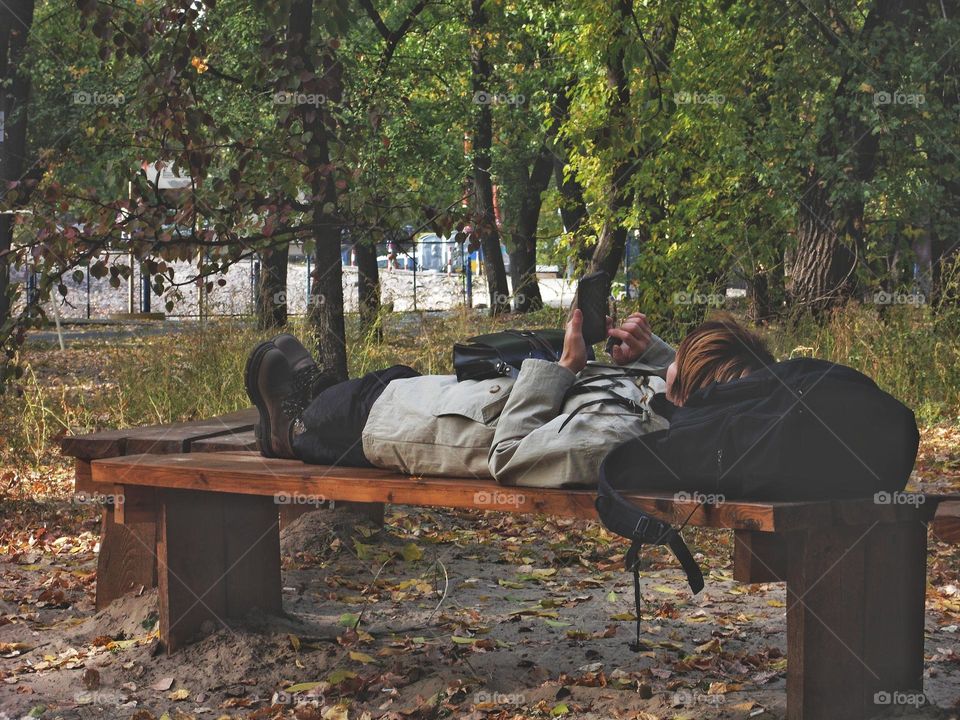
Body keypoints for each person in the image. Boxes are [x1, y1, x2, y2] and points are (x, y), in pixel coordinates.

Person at [245, 311, 774, 488]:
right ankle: (314, 390)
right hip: (446, 393)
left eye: (682, 358)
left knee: (333, 410)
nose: (674, 353)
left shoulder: (613, 440)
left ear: (690, 390)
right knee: (382, 378)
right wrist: (653, 353)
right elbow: (674, 395)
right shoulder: (687, 401)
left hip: (404, 428)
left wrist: (562, 370)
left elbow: (510, 457)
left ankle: (285, 430)